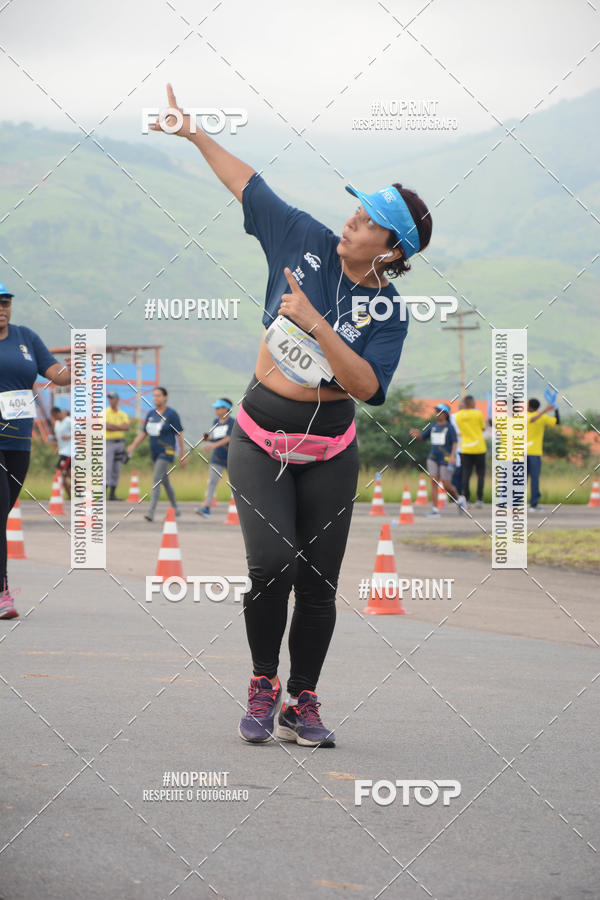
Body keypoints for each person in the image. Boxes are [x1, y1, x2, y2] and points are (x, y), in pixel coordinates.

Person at [151, 84, 432, 747]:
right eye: (355, 214)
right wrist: (194, 133)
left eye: (366, 223)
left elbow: (367, 387)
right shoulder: (302, 236)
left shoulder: (389, 311)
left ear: (391, 250)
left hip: (331, 451)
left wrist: (313, 321)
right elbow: (248, 183)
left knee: (319, 582)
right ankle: (261, 680)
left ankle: (303, 699)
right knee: (272, 565)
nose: (351, 225)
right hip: (259, 437)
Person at [0, 283, 71, 619]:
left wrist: (73, 371)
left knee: (5, 510)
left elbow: (55, 373)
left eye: (6, 303)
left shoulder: (25, 337)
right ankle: (3, 593)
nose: (2, 308)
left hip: (19, 441)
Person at [127, 386, 186, 521]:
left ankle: (150, 512)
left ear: (165, 397)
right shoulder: (151, 414)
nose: (156, 398)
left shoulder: (171, 414)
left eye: (159, 395)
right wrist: (133, 445)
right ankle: (176, 508)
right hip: (155, 452)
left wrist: (182, 455)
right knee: (165, 481)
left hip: (167, 451)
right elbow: (144, 433)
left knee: (156, 480)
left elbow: (179, 434)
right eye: (154, 396)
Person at [410, 405, 465, 517]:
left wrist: (453, 456)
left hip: (446, 458)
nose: (436, 414)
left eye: (438, 411)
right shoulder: (433, 426)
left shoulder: (450, 428)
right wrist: (416, 435)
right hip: (433, 458)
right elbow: (422, 437)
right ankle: (435, 510)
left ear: (445, 414)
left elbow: (455, 442)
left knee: (446, 484)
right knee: (434, 482)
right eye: (436, 411)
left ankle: (459, 499)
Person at [195, 398, 234, 518]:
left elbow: (229, 438)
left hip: (231, 457)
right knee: (212, 482)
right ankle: (206, 508)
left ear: (226, 409)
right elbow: (218, 438)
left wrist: (213, 445)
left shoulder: (232, 422)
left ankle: (241, 508)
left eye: (218, 408)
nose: (216, 410)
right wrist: (208, 440)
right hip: (217, 457)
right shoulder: (215, 422)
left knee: (235, 484)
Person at [526, 398, 559, 512]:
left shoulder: (520, 416)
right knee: (534, 479)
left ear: (528, 405)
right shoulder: (542, 417)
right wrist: (555, 409)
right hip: (534, 453)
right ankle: (533, 505)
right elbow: (557, 422)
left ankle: (516, 505)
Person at [455, 395, 487, 507]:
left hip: (465, 448)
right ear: (472, 403)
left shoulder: (458, 416)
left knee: (466, 474)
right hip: (479, 448)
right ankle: (479, 500)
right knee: (480, 475)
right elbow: (483, 428)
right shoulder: (478, 413)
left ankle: (466, 499)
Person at [105, 392, 131, 500]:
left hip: (120, 443)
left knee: (117, 468)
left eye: (112, 398)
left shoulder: (122, 414)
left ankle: (112, 494)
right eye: (109, 399)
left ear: (117, 400)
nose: (111, 400)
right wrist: (119, 427)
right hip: (108, 442)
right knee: (107, 468)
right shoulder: (105, 413)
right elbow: (106, 427)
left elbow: (127, 427)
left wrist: (113, 427)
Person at [50, 406, 72, 499]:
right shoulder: (57, 424)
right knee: (68, 474)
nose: (54, 418)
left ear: (58, 413)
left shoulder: (68, 421)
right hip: (62, 451)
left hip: (68, 452)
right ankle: (81, 493)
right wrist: (58, 448)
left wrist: (69, 436)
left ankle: (73, 496)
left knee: (59, 473)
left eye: (54, 416)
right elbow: (59, 438)